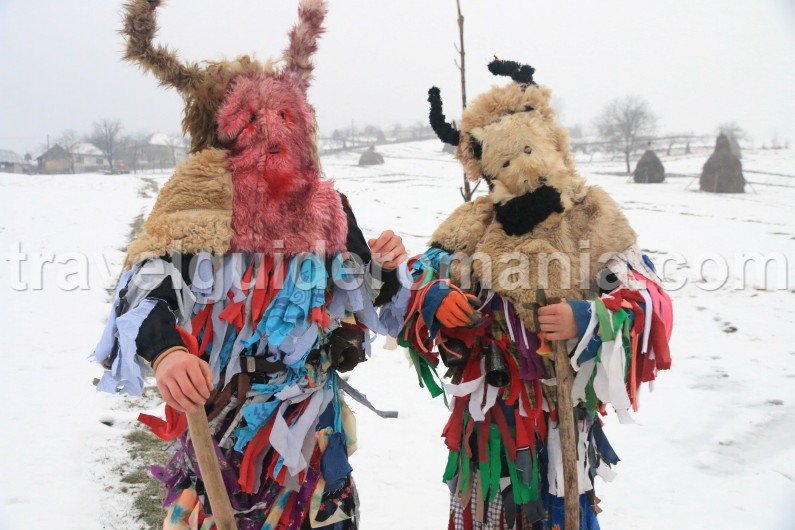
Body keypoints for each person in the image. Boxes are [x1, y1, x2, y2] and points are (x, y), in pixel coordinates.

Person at [93, 1, 409, 528]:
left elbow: (368, 294)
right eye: (252, 120)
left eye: (283, 118)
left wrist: (389, 266)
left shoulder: (327, 206)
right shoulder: (195, 204)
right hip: (224, 429)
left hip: (312, 430)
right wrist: (168, 352)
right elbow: (146, 289)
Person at [398, 58, 674, 529]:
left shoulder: (591, 215)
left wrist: (588, 317)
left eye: (529, 150)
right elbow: (414, 279)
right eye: (506, 161)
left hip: (561, 412)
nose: (523, 169)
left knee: (560, 509)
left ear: (551, 145)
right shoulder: (475, 222)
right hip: (489, 414)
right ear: (489, 169)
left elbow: (648, 296)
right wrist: (433, 297)